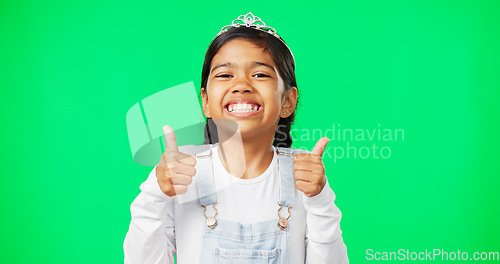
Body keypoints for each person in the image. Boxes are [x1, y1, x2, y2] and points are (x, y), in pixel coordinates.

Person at [124, 12, 349, 264]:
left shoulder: (306, 177)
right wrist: (156, 192)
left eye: (260, 74)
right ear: (206, 102)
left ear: (288, 101)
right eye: (224, 75)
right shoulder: (180, 171)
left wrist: (318, 201)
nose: (241, 85)